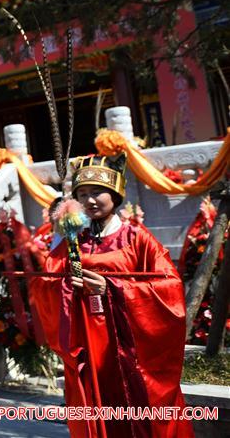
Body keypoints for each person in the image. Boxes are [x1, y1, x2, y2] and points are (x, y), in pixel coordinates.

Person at [30, 154, 192, 438]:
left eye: (97, 192)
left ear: (114, 194)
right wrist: (66, 286)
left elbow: (170, 286)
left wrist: (113, 289)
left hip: (130, 342)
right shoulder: (73, 242)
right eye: (82, 194)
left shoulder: (136, 238)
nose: (90, 201)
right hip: (87, 341)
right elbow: (46, 283)